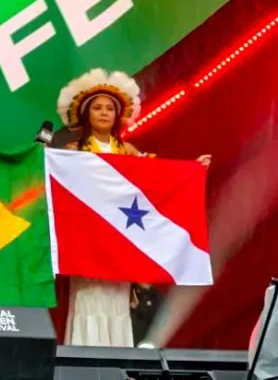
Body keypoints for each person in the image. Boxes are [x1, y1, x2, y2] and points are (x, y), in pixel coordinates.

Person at [56, 68, 211, 347]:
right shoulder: (71, 151)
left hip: (120, 243)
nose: (104, 113)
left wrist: (192, 169)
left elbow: (158, 178)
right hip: (87, 243)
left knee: (116, 305)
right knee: (89, 300)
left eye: (109, 109)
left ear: (117, 116)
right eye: (97, 108)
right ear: (86, 114)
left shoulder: (128, 150)